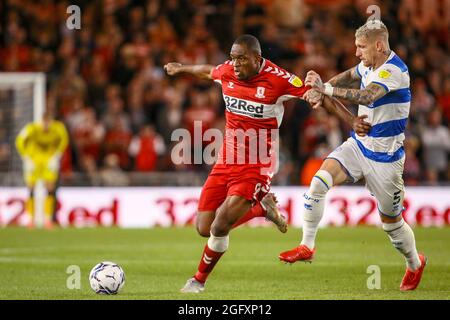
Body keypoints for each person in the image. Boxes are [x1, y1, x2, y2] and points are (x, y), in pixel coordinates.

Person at [164, 34, 369, 293]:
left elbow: (320, 95)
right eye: (232, 58)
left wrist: (350, 121)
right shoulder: (228, 71)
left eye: (241, 59)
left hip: (258, 164)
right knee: (204, 228)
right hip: (227, 159)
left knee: (219, 226)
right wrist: (181, 68)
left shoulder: (279, 79)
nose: (235, 64)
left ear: (257, 59)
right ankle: (262, 209)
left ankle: (197, 281)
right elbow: (207, 72)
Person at [279, 20, 427, 291]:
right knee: (317, 183)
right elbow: (350, 75)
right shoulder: (369, 65)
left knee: (392, 227)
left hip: (386, 161)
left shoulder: (395, 71)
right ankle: (307, 246)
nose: (357, 52)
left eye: (361, 47)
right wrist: (320, 87)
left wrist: (325, 90)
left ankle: (414, 263)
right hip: (359, 146)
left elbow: (367, 96)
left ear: (379, 46)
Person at [15, 111, 69, 229]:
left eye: (48, 122)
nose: (46, 125)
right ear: (41, 121)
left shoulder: (58, 128)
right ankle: (30, 220)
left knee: (50, 187)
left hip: (48, 161)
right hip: (33, 161)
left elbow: (64, 140)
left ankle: (48, 220)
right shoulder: (32, 128)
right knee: (31, 188)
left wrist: (57, 155)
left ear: (51, 121)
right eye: (44, 122)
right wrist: (26, 157)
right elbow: (19, 141)